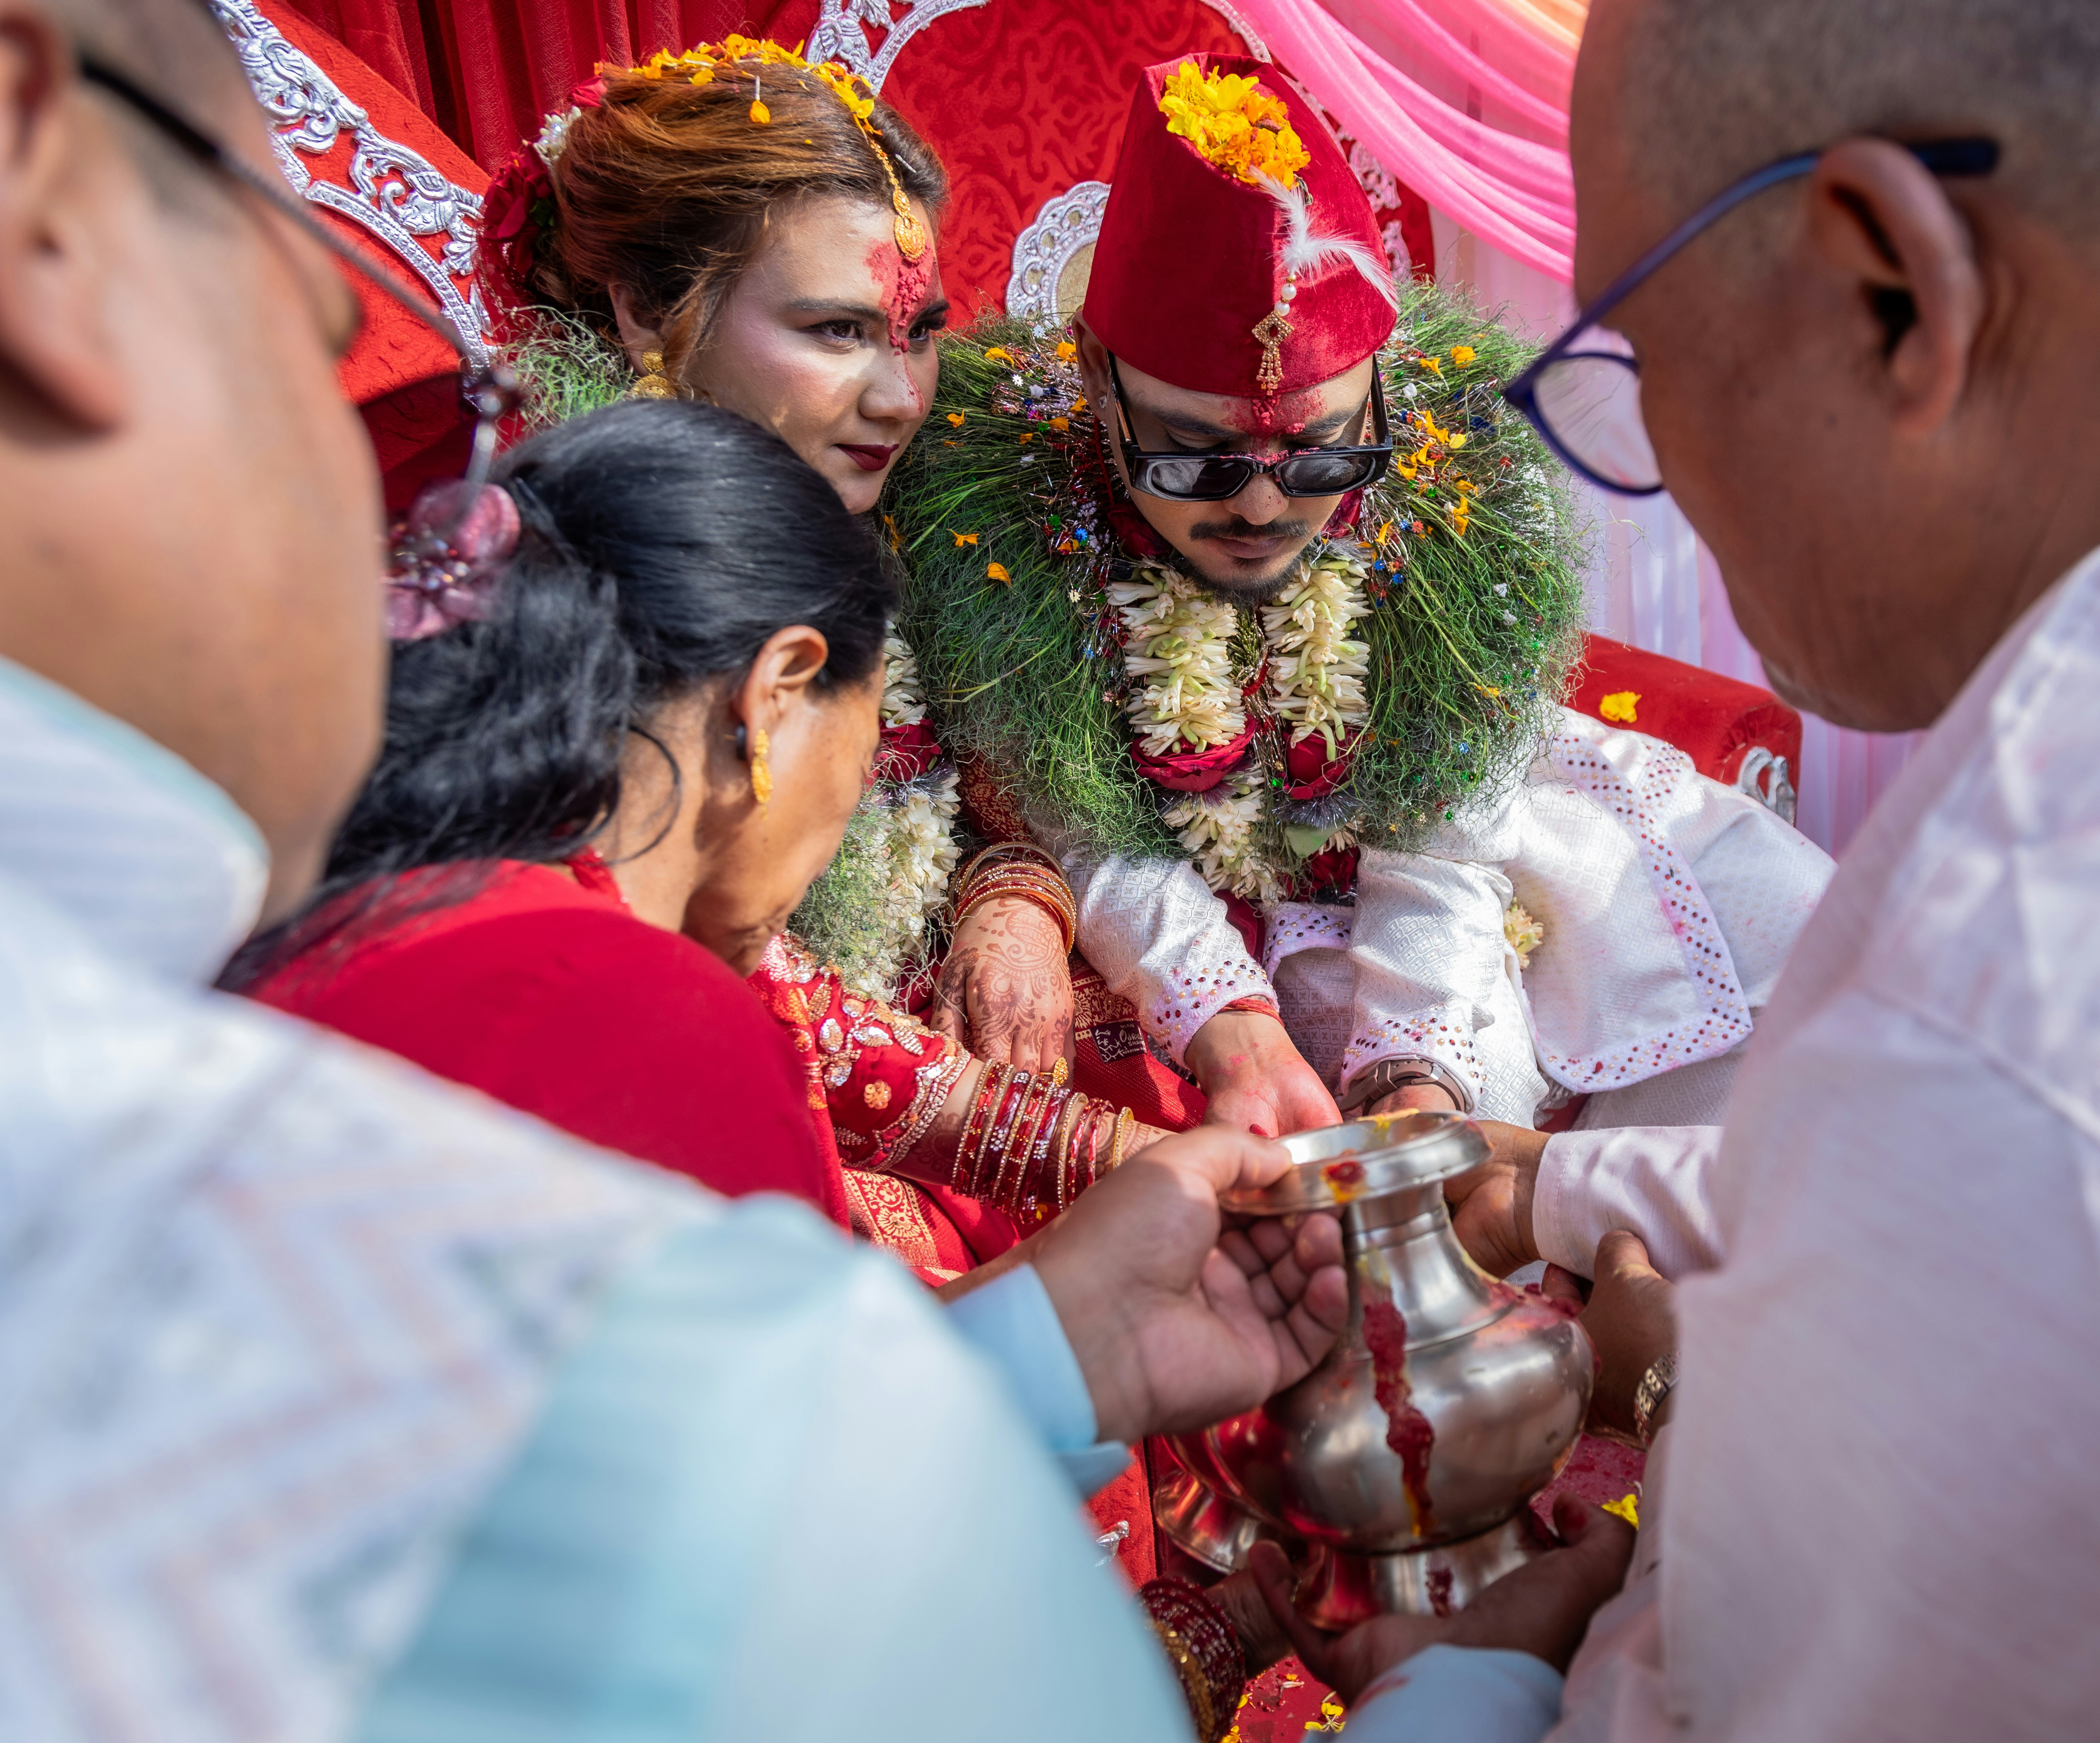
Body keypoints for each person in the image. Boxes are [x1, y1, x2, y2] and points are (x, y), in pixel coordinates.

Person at [0, 2, 1354, 1736]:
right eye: (837, 330)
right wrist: (1090, 1153)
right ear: (648, 312)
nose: (896, 386)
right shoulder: (551, 555)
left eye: (917, 332)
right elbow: (667, 923)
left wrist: (1014, 894)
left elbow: (1013, 786)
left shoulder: (918, 507)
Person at [1270, 0, 2100, 1736]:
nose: (1654, 459)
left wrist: (1493, 1685)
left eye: (1639, 359)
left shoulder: (2023, 1017)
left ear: (1892, 290)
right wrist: (1563, 1202)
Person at [891, 53, 1834, 1143]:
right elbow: (1090, 829)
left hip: (1486, 853)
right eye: (1197, 458)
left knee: (1815, 1012)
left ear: (1382, 378)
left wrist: (1417, 1079)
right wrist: (1231, 1025)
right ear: (1099, 373)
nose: (1260, 507)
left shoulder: (1457, 487)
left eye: (1322, 453)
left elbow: (1443, 839)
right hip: (1209, 915)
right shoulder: (1006, 523)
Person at [232, 397, 1164, 1275]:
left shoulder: (381, 902)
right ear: (775, 696)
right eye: (868, 736)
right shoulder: (643, 1016)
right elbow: (776, 1424)